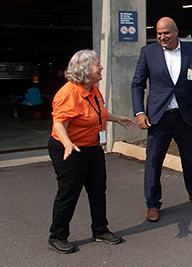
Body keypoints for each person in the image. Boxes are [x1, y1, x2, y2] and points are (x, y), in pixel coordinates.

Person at [47, 49, 136, 254]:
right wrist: (68, 144)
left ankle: (100, 230)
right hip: (69, 149)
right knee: (68, 193)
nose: (101, 67)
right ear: (85, 69)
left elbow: (98, 113)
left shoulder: (93, 89)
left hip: (92, 148)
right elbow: (59, 123)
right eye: (97, 64)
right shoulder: (68, 93)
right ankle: (57, 236)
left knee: (97, 190)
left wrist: (116, 118)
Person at [131, 17, 192, 223]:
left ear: (176, 31)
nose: (162, 37)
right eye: (158, 33)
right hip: (159, 118)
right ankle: (153, 204)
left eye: (166, 33)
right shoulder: (148, 53)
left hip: (185, 117)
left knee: (191, 157)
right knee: (153, 161)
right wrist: (139, 112)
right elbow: (137, 85)